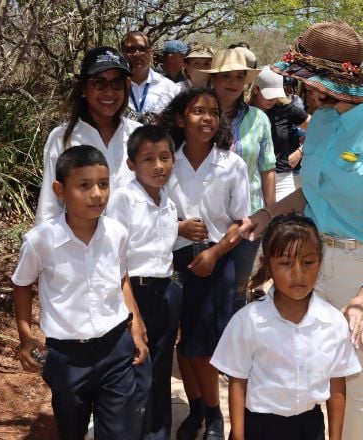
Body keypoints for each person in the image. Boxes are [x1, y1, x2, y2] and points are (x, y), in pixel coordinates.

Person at [236, 22, 363, 440]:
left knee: (351, 385)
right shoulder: (319, 122)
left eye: (302, 81)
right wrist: (266, 215)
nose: (298, 90)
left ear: (327, 83)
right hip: (312, 261)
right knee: (298, 365)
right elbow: (308, 194)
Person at [11, 145, 149, 439]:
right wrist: (25, 337)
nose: (97, 194)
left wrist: (134, 324)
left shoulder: (117, 233)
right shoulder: (40, 241)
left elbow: (121, 278)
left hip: (115, 348)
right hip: (66, 357)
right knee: (71, 429)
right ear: (60, 189)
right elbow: (22, 284)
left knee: (121, 432)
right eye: (84, 185)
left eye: (103, 184)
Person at [211, 214, 361, 440]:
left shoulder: (333, 323)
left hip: (309, 427)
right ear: (268, 266)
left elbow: (337, 384)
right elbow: (238, 381)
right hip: (260, 427)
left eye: (308, 262)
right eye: (285, 263)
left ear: (320, 262)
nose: (298, 273)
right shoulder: (248, 321)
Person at [159, 87, 250, 440]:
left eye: (213, 112)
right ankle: (197, 408)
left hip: (216, 260)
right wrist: (178, 227)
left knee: (205, 344)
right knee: (183, 342)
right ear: (181, 118)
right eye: (198, 111)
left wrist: (213, 254)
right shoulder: (166, 162)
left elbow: (240, 222)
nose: (207, 118)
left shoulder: (231, 164)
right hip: (172, 260)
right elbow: (149, 211)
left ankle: (213, 416)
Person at [106, 125, 181, 440]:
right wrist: (131, 312)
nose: (158, 166)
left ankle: (157, 433)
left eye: (164, 157)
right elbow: (113, 258)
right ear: (131, 164)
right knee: (135, 368)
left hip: (165, 290)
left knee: (161, 370)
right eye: (148, 159)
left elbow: (166, 255)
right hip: (132, 291)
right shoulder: (123, 199)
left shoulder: (169, 203)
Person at [192, 49, 275, 311]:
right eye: (225, 76)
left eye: (239, 77)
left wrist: (268, 212)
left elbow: (267, 168)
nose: (233, 82)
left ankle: (234, 347)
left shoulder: (259, 119)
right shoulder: (196, 117)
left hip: (246, 220)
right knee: (201, 292)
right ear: (212, 79)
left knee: (237, 293)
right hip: (203, 218)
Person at [36, 46, 139, 224]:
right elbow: (49, 208)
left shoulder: (138, 135)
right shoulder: (63, 138)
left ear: (126, 86)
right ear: (83, 87)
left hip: (136, 248)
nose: (109, 92)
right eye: (99, 83)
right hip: (83, 249)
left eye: (117, 83)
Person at [249, 66, 311, 200]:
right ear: (255, 89)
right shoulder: (244, 111)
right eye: (268, 94)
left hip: (282, 180)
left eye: (276, 94)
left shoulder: (285, 109)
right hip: (251, 181)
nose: (272, 99)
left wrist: (301, 151)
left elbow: (320, 129)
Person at [120, 31, 181, 122]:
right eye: (131, 50)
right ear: (122, 53)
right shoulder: (113, 86)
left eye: (142, 49)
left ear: (150, 53)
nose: (137, 54)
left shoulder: (169, 87)